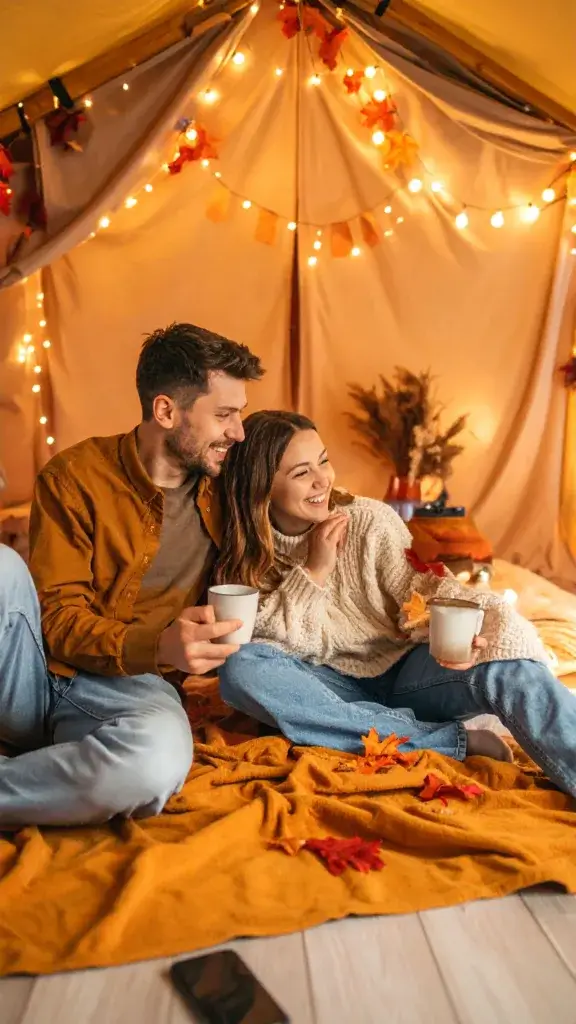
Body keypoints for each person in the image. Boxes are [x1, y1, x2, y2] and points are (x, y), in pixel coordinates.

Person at [218, 411, 576, 799]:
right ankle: (445, 741)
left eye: (323, 461)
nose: (322, 480)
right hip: (328, 693)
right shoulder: (244, 553)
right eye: (302, 473)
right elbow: (266, 644)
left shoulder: (368, 521)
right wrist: (314, 570)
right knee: (240, 669)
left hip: (409, 678)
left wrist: (479, 626)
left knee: (511, 664)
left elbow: (427, 586)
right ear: (262, 486)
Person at [0, 322, 263, 827]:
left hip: (131, 689)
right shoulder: (74, 476)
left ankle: (30, 780)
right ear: (166, 411)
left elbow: (312, 490)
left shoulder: (229, 483)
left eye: (241, 415)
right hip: (32, 675)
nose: (238, 432)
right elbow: (56, 619)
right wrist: (159, 645)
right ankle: (55, 775)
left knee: (155, 764)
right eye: (225, 414)